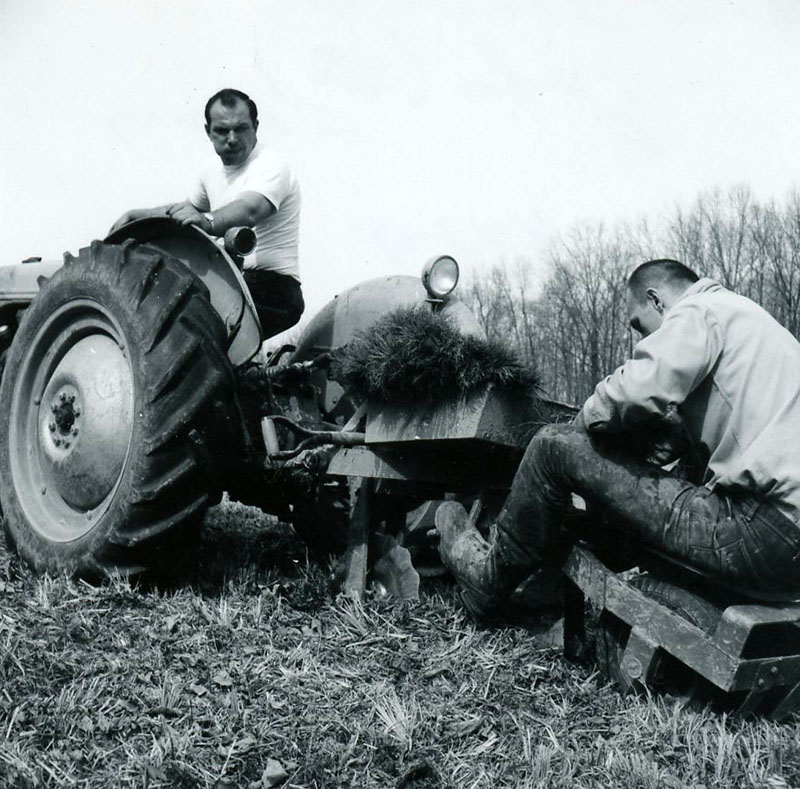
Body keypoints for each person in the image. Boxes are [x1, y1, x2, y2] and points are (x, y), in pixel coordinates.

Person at [436, 258, 800, 621]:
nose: (643, 341)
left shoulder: (700, 309)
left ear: (657, 300)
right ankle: (549, 581)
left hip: (764, 532)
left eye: (641, 329)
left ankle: (489, 579)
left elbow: (641, 386)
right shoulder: (754, 324)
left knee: (552, 446)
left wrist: (580, 426)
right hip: (785, 545)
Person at [110, 88, 304, 339]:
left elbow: (250, 209)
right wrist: (139, 216)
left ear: (255, 126)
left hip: (273, 287)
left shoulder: (271, 165)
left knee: (185, 332)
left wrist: (209, 222)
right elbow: (189, 209)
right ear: (208, 131)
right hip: (232, 281)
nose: (232, 138)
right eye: (222, 131)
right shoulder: (210, 170)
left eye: (241, 128)